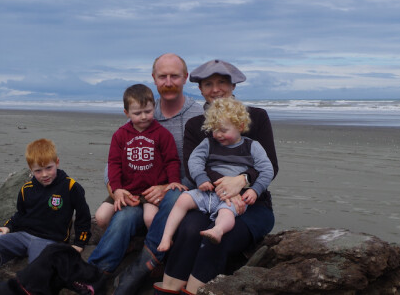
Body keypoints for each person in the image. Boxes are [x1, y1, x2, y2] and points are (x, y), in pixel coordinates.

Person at [154, 59, 279, 295]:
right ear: (200, 90)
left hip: (252, 204)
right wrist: (224, 188)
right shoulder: (196, 125)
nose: (216, 89)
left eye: (222, 82)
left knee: (220, 238)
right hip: (208, 199)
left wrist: (242, 181)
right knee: (189, 231)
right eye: (208, 84)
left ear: (233, 86)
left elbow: (270, 165)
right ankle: (167, 289)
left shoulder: (257, 117)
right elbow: (194, 167)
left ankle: (194, 291)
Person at [88, 53, 203, 294]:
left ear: (185, 78)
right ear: (154, 78)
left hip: (172, 191)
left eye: (175, 75)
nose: (168, 81)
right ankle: (95, 274)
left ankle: (145, 264)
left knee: (169, 198)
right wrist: (116, 189)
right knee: (119, 218)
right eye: (163, 76)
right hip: (135, 189)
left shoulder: (197, 116)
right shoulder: (142, 108)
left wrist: (167, 186)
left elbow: (199, 164)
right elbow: (115, 160)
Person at [158, 97, 274, 252]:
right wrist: (201, 178)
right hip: (208, 193)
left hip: (234, 198)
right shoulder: (208, 144)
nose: (218, 134)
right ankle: (166, 237)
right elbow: (194, 161)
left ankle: (218, 230)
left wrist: (255, 190)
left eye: (223, 130)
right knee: (183, 200)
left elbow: (267, 169)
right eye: (214, 129)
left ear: (240, 126)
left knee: (227, 214)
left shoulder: (252, 146)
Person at [0, 138, 92, 284]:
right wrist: (7, 227)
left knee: (35, 268)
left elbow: (84, 217)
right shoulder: (26, 189)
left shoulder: (71, 187)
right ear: (30, 168)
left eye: (49, 168)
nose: (44, 174)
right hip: (23, 235)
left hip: (50, 241)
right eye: (38, 170)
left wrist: (79, 244)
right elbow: (20, 214)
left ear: (57, 162)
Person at [94, 84, 183, 233]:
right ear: (126, 113)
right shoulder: (120, 135)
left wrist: (173, 181)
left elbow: (172, 161)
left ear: (154, 107)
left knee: (150, 218)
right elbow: (114, 164)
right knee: (101, 216)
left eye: (148, 111)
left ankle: (151, 247)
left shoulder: (162, 134)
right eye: (137, 113)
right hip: (127, 190)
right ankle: (123, 240)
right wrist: (116, 189)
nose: (143, 116)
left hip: (151, 191)